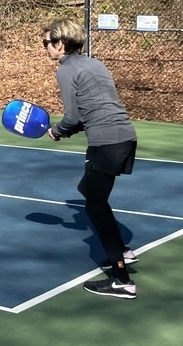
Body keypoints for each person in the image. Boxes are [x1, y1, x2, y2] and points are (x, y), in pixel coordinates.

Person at [43, 18, 139, 300]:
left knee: (95, 206)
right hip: (124, 137)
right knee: (88, 191)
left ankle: (122, 280)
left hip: (106, 142)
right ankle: (123, 251)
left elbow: (73, 117)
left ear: (60, 44)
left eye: (47, 43)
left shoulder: (65, 70)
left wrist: (58, 132)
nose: (45, 48)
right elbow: (96, 107)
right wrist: (71, 129)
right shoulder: (94, 63)